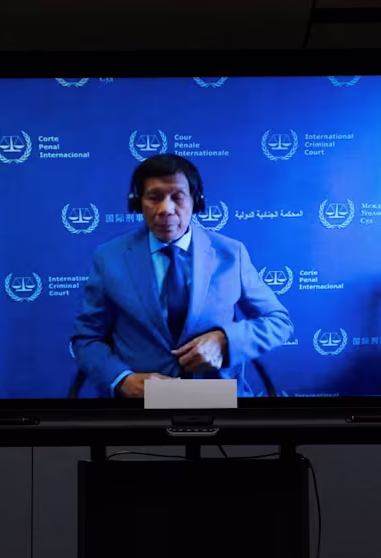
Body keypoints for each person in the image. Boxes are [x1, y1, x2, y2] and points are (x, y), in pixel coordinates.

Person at [71, 154, 293, 398]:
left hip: (216, 400)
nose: (165, 209)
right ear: (137, 202)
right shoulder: (109, 257)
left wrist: (225, 342)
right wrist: (123, 380)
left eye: (177, 197)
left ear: (196, 201)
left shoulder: (232, 254)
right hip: (141, 404)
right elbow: (86, 338)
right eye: (154, 197)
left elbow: (278, 322)